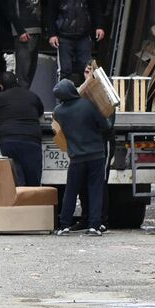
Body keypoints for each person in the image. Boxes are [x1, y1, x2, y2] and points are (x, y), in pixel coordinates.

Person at [51, 77, 111, 236]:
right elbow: (105, 126)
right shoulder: (88, 105)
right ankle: (94, 226)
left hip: (76, 158)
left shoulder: (58, 112)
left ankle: (64, 225)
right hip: (96, 155)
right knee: (95, 190)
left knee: (71, 191)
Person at [47, 0, 104, 83]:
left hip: (83, 35)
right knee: (64, 71)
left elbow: (95, 6)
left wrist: (99, 26)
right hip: (63, 36)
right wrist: (52, 34)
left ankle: (86, 100)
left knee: (87, 70)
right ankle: (63, 101)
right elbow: (51, 12)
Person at [0, 71, 44, 187]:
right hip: (31, 140)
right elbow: (40, 112)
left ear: (1, 86)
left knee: (16, 179)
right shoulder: (32, 95)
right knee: (33, 180)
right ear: (17, 82)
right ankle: (34, 202)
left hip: (9, 141)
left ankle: (19, 202)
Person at [5, 0, 44, 87]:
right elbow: (11, 8)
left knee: (32, 70)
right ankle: (21, 103)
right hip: (24, 31)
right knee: (23, 72)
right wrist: (20, 30)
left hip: (36, 30)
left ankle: (25, 99)